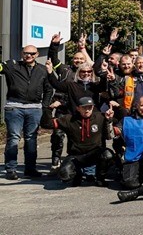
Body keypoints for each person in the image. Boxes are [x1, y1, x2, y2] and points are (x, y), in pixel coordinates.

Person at [2, 38, 56, 179]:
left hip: (35, 109)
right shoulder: (12, 66)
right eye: (26, 53)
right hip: (14, 107)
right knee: (13, 138)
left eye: (32, 53)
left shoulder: (43, 70)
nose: (29, 56)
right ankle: (11, 169)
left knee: (31, 139)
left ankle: (30, 169)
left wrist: (44, 106)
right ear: (22, 54)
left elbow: (49, 90)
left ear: (37, 54)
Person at [40, 96, 115, 186]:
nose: (87, 110)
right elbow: (46, 124)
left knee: (108, 154)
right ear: (78, 108)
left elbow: (109, 136)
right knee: (65, 174)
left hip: (94, 154)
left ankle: (100, 178)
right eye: (84, 108)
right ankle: (77, 175)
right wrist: (49, 109)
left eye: (89, 107)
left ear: (93, 107)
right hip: (76, 156)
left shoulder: (100, 117)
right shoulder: (69, 119)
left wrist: (108, 120)